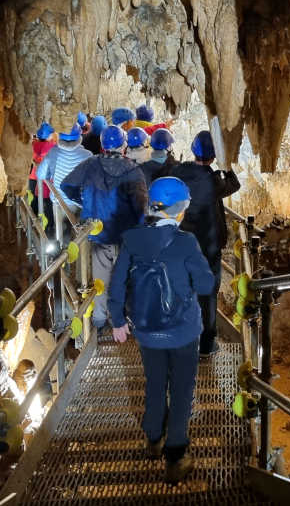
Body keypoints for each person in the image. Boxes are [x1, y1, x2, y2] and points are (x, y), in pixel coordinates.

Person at [108, 176, 214, 484]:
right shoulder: (185, 242)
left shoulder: (132, 238)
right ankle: (176, 456)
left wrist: (117, 320)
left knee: (154, 382)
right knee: (181, 390)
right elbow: (206, 283)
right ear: (179, 210)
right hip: (183, 331)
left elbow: (117, 283)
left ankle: (153, 437)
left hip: (147, 329)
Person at [60, 124, 147, 331]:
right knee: (125, 278)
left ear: (102, 145)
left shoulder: (90, 164)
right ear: (123, 145)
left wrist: (85, 203)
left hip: (99, 235)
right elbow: (140, 205)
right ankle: (127, 319)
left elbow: (66, 185)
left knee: (100, 280)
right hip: (126, 237)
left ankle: (99, 320)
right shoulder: (132, 170)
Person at [161, 130, 240, 357]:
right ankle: (206, 344)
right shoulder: (214, 181)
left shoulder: (178, 173)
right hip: (209, 247)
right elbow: (234, 184)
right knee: (207, 295)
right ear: (213, 157)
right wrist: (225, 166)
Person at [34, 124, 92, 239]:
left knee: (61, 232)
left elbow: (40, 174)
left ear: (60, 137)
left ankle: (62, 249)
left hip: (59, 201)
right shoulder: (87, 155)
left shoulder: (53, 153)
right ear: (79, 137)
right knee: (81, 235)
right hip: (81, 203)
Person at [29, 123, 56, 218]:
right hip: (46, 179)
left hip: (33, 176)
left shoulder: (34, 144)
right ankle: (50, 224)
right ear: (48, 136)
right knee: (48, 203)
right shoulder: (51, 146)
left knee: (36, 198)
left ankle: (32, 216)